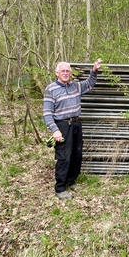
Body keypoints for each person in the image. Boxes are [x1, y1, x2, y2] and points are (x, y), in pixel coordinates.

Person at [43, 59, 102, 200]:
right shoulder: (51, 89)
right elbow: (47, 113)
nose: (65, 73)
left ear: (70, 73)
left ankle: (71, 181)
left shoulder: (75, 86)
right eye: (62, 71)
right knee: (64, 156)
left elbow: (89, 83)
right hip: (62, 126)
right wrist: (55, 130)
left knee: (77, 154)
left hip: (76, 124)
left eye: (67, 71)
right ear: (57, 73)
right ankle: (60, 187)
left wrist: (94, 70)